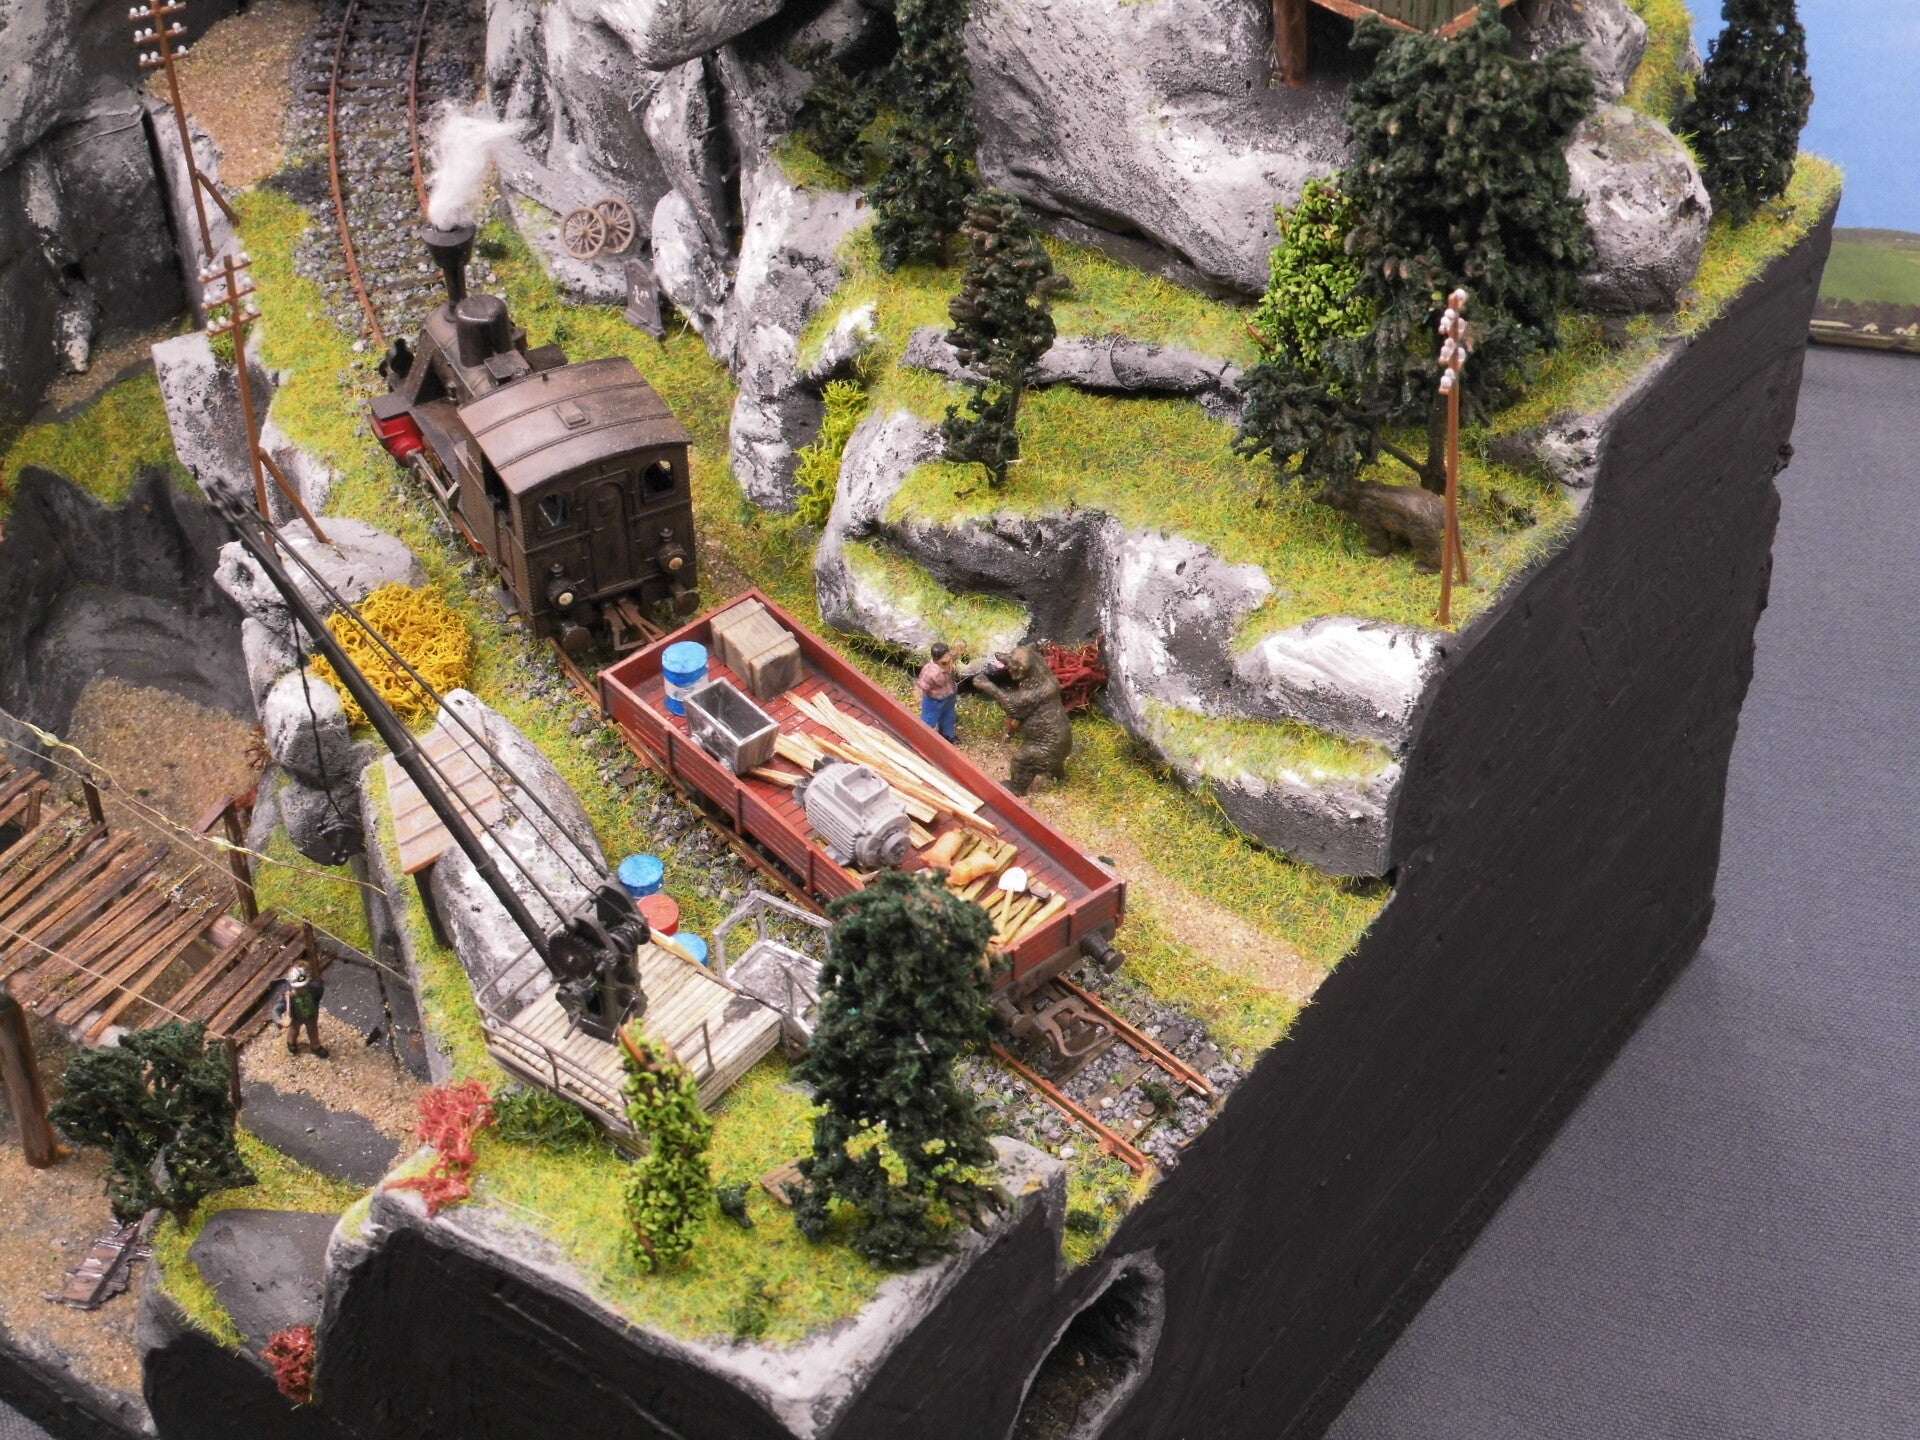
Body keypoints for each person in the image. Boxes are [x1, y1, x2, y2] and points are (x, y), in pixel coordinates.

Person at [274, 964, 329, 1058]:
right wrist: (280, 1021)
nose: (302, 989)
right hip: (296, 1018)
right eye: (299, 987)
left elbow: (319, 993)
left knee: (313, 1030)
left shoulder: (314, 988)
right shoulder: (287, 996)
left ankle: (315, 1045)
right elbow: (276, 1011)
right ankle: (291, 1042)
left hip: (311, 1015)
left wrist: (314, 1007)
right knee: (294, 1030)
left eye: (304, 986)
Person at [916, 642, 960, 742]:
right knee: (929, 720)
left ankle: (947, 733)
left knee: (949, 716)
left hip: (950, 697)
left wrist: (959, 648)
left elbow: (955, 655)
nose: (948, 664)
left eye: (949, 659)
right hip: (935, 701)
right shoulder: (930, 671)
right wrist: (921, 694)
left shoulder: (949, 661)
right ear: (936, 660)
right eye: (944, 662)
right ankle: (922, 738)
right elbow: (922, 685)